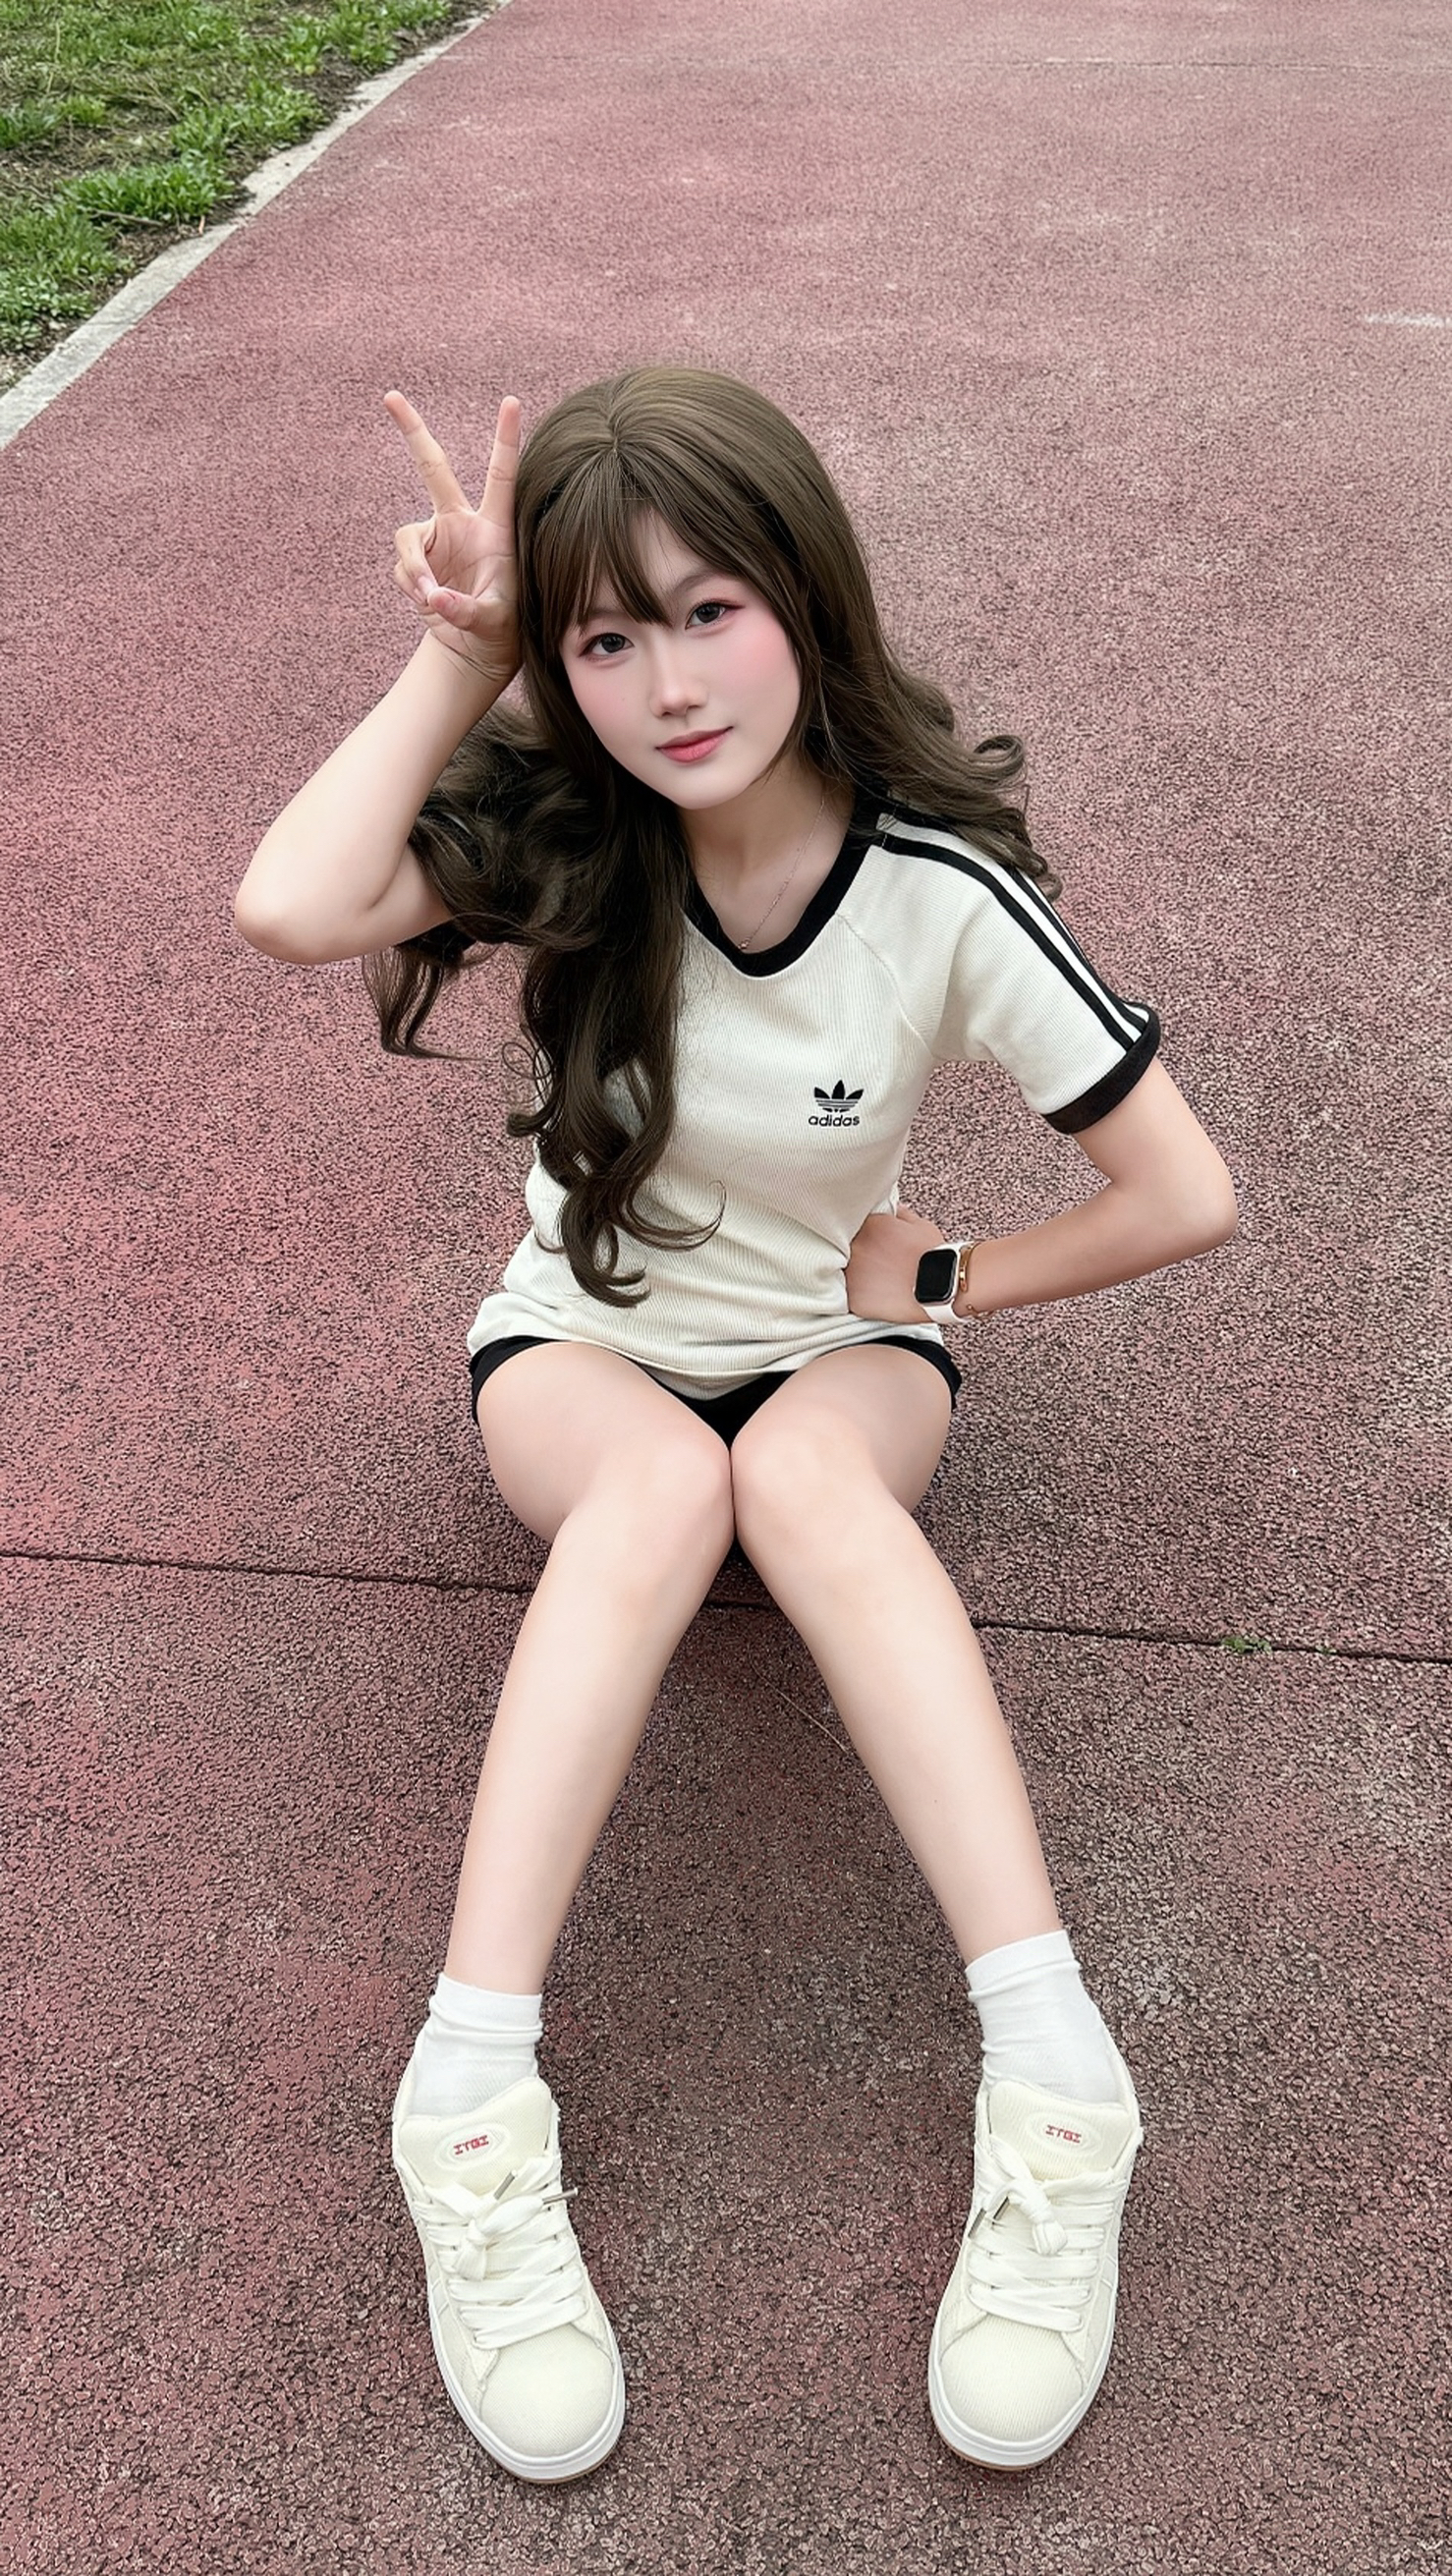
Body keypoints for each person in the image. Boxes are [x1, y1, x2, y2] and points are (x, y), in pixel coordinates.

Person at [234, 367, 1238, 2486]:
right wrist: (464, 655)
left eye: (708, 611)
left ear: (803, 593)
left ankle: (1061, 2076)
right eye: (605, 637)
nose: (669, 684)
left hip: (837, 1352)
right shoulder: (576, 832)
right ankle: (465, 2094)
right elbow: (292, 905)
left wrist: (946, 1279)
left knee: (782, 1466)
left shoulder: (933, 890)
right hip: (581, 1352)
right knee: (666, 1480)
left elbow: (1181, 1193)